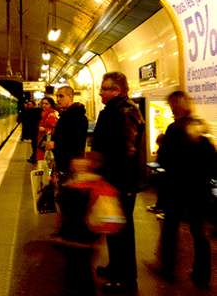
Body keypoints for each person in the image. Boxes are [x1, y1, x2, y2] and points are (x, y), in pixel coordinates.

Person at [151, 91, 216, 289]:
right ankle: (202, 275)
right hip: (199, 190)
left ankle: (168, 268)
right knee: (199, 233)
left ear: (173, 107)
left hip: (176, 189)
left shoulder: (173, 129)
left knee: (170, 229)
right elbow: (213, 160)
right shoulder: (201, 127)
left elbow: (163, 159)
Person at [91, 71, 145, 293]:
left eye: (104, 88)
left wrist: (100, 170)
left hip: (117, 180)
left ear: (117, 90)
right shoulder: (132, 110)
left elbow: (119, 150)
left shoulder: (114, 113)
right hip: (125, 180)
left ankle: (125, 279)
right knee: (116, 227)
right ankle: (116, 268)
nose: (100, 92)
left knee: (120, 230)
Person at [45, 86, 88, 234]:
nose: (58, 99)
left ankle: (71, 231)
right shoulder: (66, 115)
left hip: (71, 163)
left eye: (61, 96)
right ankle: (67, 228)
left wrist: (56, 144)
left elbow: (76, 141)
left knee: (70, 199)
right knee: (64, 197)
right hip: (63, 161)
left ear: (70, 96)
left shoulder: (77, 117)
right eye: (57, 96)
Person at [35, 96, 58, 162]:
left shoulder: (52, 115)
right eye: (43, 103)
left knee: (45, 159)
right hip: (43, 139)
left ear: (51, 105)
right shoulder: (44, 113)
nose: (44, 105)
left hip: (47, 141)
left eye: (46, 104)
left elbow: (56, 129)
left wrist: (45, 129)